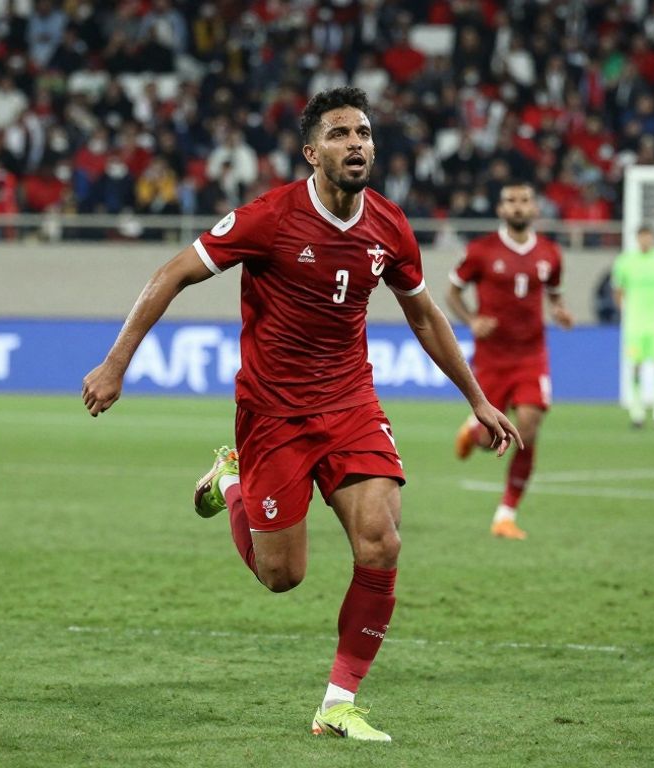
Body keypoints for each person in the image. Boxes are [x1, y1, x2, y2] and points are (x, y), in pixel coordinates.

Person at [80, 87, 520, 742]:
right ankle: (232, 482)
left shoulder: (390, 226)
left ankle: (338, 703)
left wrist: (477, 398)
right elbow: (173, 271)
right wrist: (116, 363)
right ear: (311, 151)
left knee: (382, 537)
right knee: (282, 577)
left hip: (350, 402)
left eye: (364, 133)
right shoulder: (269, 218)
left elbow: (424, 315)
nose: (357, 144)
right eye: (340, 134)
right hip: (273, 413)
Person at [445, 182, 574, 540]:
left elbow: (554, 293)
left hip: (532, 356)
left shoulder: (550, 253)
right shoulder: (481, 251)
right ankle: (473, 432)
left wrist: (560, 311)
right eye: (511, 202)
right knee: (491, 439)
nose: (518, 207)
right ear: (501, 210)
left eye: (524, 201)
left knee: (529, 429)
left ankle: (505, 515)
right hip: (491, 359)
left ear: (535, 209)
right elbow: (452, 291)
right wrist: (472, 320)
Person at [611, 224, 654, 429]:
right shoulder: (625, 261)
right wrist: (626, 313)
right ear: (637, 239)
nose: (645, 241)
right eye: (642, 237)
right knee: (636, 366)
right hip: (635, 324)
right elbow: (618, 290)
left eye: (648, 237)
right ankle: (637, 413)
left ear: (653, 238)